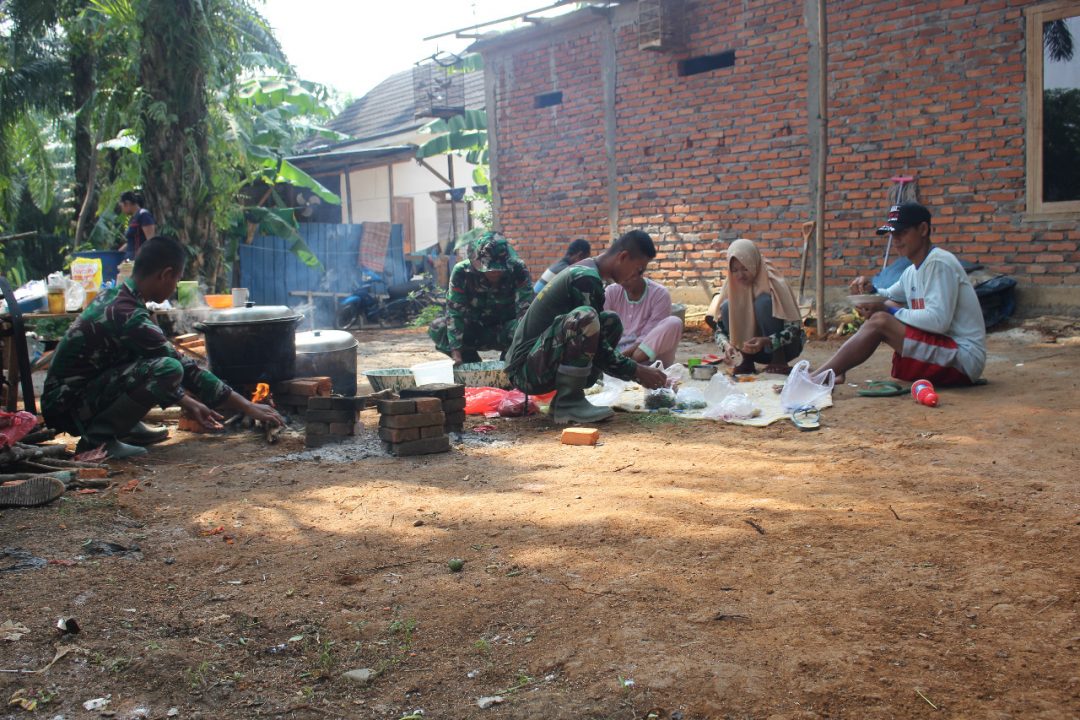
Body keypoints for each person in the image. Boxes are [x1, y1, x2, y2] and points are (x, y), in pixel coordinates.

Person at [43, 236, 282, 459]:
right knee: (169, 368)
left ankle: (124, 426)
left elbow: (129, 365)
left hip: (70, 396)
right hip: (67, 406)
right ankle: (99, 439)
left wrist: (187, 401)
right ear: (166, 275)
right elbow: (183, 367)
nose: (175, 286)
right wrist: (249, 406)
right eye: (177, 279)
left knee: (156, 365)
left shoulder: (118, 297)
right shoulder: (128, 316)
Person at [506, 230, 669, 424]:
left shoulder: (590, 273)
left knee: (610, 322)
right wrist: (637, 371)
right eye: (639, 269)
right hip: (525, 371)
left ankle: (564, 400)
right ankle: (569, 403)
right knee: (586, 318)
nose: (638, 275)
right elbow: (597, 344)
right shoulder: (585, 277)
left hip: (538, 361)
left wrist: (633, 371)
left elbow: (596, 344)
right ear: (623, 257)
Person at [815, 202, 986, 385]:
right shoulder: (911, 271)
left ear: (922, 229)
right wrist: (869, 291)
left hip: (964, 358)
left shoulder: (939, 263)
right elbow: (886, 296)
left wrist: (887, 310)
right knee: (883, 313)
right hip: (945, 349)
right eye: (892, 234)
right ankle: (833, 371)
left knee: (882, 320)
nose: (895, 240)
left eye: (902, 232)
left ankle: (819, 376)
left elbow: (938, 322)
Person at [428, 231, 534, 364]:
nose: (494, 273)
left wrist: (516, 354)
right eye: (489, 269)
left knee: (532, 327)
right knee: (439, 327)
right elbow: (454, 312)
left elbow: (525, 313)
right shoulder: (461, 272)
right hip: (474, 330)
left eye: (499, 269)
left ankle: (510, 364)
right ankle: (470, 364)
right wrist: (455, 351)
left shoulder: (518, 269)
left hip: (507, 331)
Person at [705, 238, 804, 375]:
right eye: (735, 270)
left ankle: (778, 360)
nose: (740, 275)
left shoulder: (774, 281)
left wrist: (767, 340)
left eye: (745, 268)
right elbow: (718, 330)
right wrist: (727, 345)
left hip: (785, 347)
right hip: (755, 352)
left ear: (754, 264)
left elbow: (794, 330)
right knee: (728, 306)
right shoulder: (731, 286)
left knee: (763, 303)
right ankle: (746, 361)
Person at [604, 273, 684, 367]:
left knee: (674, 322)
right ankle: (622, 366)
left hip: (651, 359)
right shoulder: (611, 291)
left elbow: (650, 333)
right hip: (615, 356)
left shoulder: (659, 293)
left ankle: (627, 366)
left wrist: (623, 359)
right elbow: (601, 325)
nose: (625, 281)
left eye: (631, 275)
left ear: (641, 271)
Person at [119, 191, 156, 261]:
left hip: (140, 260)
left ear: (127, 203)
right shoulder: (133, 219)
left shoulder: (144, 215)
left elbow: (151, 241)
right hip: (130, 260)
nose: (122, 210)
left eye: (122, 207)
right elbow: (131, 242)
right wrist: (118, 252)